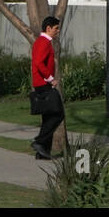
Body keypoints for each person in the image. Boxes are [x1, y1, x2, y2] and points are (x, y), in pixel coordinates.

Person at [30, 16, 64, 159]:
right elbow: (38, 63)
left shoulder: (41, 41)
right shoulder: (44, 42)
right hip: (44, 84)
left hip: (40, 84)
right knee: (58, 114)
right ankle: (39, 142)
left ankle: (43, 153)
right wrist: (51, 79)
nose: (58, 31)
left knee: (48, 116)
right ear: (48, 28)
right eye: (56, 28)